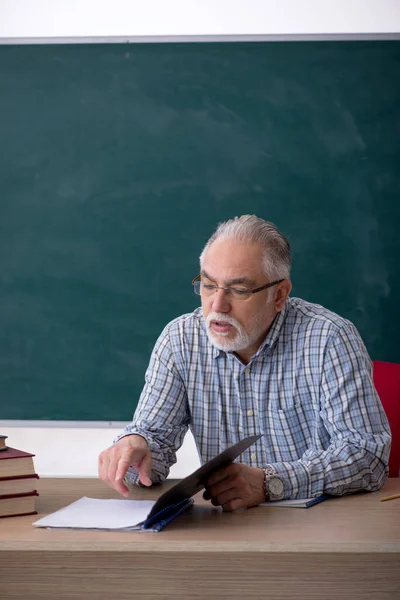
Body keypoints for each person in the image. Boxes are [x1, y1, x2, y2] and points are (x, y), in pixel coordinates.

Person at [98, 215, 391, 511]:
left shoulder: (329, 338)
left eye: (239, 291)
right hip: (226, 528)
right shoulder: (180, 340)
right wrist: (136, 447)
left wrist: (270, 483)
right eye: (209, 285)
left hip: (320, 526)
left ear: (279, 295)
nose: (217, 305)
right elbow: (154, 444)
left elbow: (367, 456)